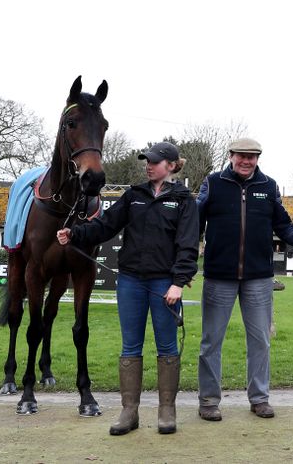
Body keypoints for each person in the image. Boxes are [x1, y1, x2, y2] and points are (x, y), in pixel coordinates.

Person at [57, 141, 198, 436]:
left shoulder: (185, 200)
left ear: (171, 166)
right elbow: (105, 226)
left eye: (155, 161)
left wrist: (178, 282)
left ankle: (166, 411)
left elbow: (187, 245)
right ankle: (129, 412)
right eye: (146, 160)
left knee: (167, 347)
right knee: (130, 347)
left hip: (164, 284)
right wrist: (75, 233)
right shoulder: (133, 195)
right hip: (131, 281)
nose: (148, 165)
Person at [196, 138, 293, 421]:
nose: (246, 161)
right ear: (231, 156)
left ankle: (259, 399)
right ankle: (209, 401)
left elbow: (284, 225)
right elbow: (193, 224)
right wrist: (184, 263)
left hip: (259, 279)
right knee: (211, 342)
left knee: (260, 341)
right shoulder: (212, 183)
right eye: (241, 156)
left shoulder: (269, 187)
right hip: (218, 277)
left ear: (258, 159)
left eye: (252, 157)